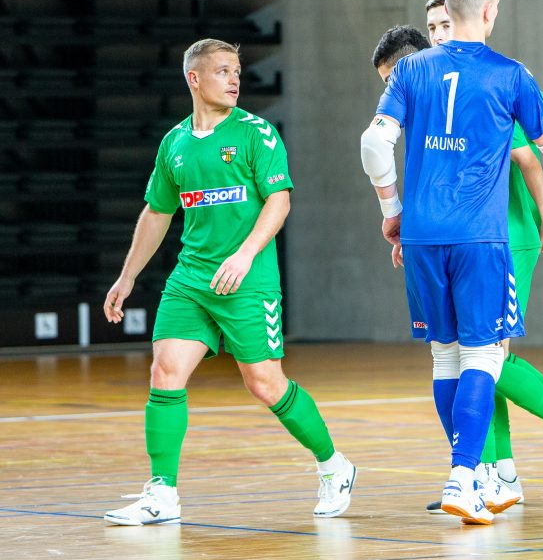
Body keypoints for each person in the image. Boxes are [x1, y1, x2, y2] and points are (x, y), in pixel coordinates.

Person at [361, 0, 543, 524]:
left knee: (447, 360)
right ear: (490, 11)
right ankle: (471, 477)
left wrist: (393, 212)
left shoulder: (411, 73)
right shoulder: (506, 75)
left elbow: (373, 144)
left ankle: (491, 476)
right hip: (480, 236)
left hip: (423, 235)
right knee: (484, 357)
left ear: (448, 15)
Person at [102, 39, 355, 525]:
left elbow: (279, 201)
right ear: (194, 79)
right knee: (165, 372)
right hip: (191, 278)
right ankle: (162, 493)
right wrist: (127, 275)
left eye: (237, 70)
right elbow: (157, 212)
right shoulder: (174, 144)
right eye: (223, 71)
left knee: (264, 383)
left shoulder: (257, 135)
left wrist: (244, 254)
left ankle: (334, 465)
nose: (235, 79)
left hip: (249, 280)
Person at [425, 0, 543, 503]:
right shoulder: (436, 85)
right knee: (474, 357)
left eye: (445, 23)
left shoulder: (491, 81)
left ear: (472, 19)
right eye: (431, 27)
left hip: (507, 235)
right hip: (465, 238)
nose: (439, 34)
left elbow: (540, 155)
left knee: (490, 356)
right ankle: (500, 472)